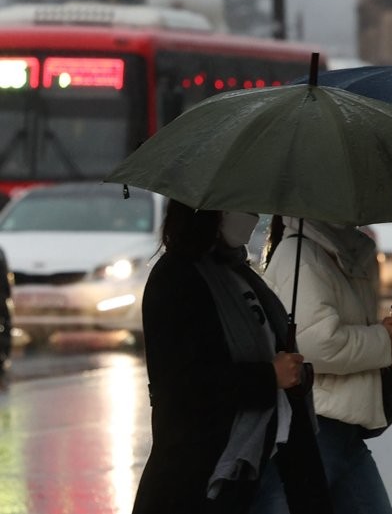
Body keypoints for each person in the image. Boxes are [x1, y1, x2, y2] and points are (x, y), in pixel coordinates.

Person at [132, 201, 330, 514]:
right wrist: (269, 377)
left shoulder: (238, 272)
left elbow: (269, 349)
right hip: (210, 475)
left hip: (268, 461)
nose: (251, 215)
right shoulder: (175, 279)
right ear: (209, 212)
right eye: (237, 205)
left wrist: (293, 372)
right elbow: (181, 388)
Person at [252, 216, 392, 514]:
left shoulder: (347, 254)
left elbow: (358, 329)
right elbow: (316, 345)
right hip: (316, 428)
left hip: (347, 432)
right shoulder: (298, 256)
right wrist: (382, 340)